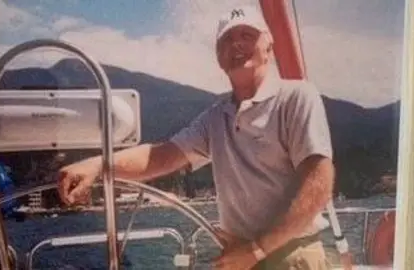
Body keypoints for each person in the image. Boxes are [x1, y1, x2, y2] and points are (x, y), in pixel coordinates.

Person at [57, 5, 334, 270]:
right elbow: (162, 156)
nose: (236, 44)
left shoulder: (297, 97)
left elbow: (318, 184)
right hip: (237, 256)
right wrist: (97, 165)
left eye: (247, 36)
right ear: (218, 57)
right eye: (226, 40)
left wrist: (257, 250)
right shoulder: (216, 118)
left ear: (269, 48)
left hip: (288, 254)